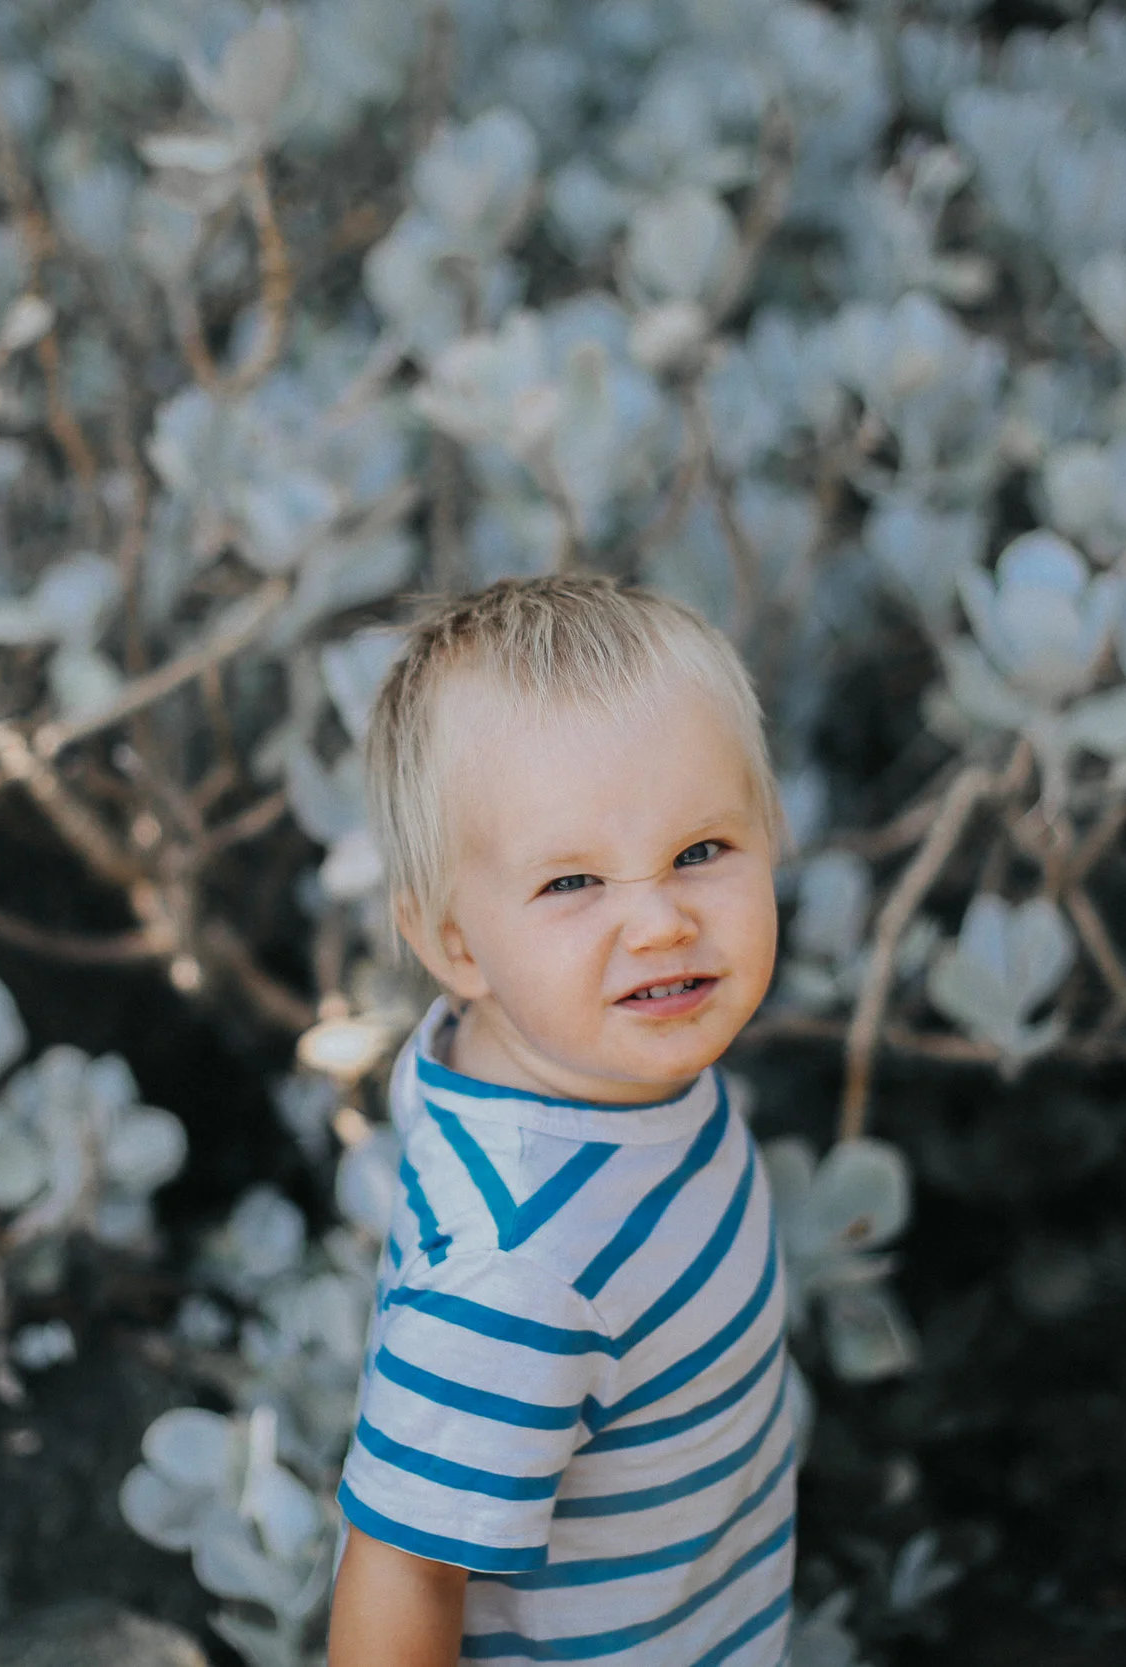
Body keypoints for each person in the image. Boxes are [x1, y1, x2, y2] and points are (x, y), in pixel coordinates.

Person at [327, 576, 798, 1667]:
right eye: (573, 880)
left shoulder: (590, 1052)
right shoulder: (518, 1273)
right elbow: (403, 1570)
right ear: (456, 946)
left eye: (701, 851)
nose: (660, 921)